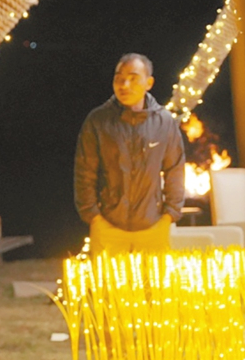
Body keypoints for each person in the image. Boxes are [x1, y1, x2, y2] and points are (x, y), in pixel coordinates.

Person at [74, 53, 186, 254]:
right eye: (119, 78)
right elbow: (84, 173)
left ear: (148, 83)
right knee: (109, 286)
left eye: (133, 78)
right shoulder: (98, 121)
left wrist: (169, 215)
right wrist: (94, 217)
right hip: (108, 226)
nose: (124, 85)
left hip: (153, 227)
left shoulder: (164, 122)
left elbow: (175, 169)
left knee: (154, 286)